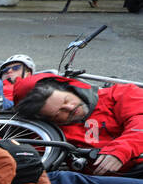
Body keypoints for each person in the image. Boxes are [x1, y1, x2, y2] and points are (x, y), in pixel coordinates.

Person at [13, 73, 143, 175]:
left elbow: (139, 120)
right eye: (60, 112)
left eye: (67, 99)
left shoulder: (120, 93)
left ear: (71, 90)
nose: (70, 108)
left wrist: (121, 150)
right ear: (50, 120)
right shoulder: (51, 135)